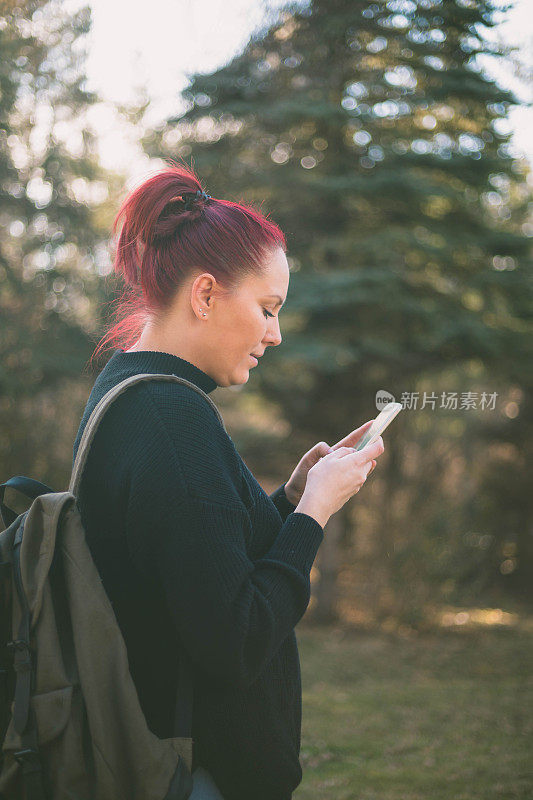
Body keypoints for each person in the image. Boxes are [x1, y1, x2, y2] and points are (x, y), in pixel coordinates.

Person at [72, 161, 384, 800]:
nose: (276, 334)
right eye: (268, 309)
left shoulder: (125, 392)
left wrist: (293, 498)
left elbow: (191, 558)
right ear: (206, 294)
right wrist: (313, 518)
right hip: (191, 775)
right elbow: (238, 640)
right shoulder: (172, 418)